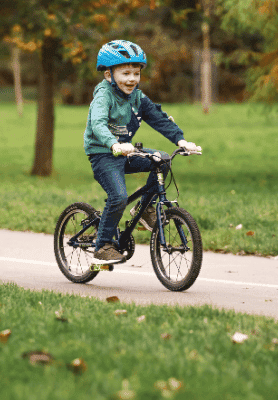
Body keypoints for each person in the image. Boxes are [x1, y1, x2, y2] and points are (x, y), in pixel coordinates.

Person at [83, 39, 202, 264]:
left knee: (162, 160)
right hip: (103, 154)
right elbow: (98, 124)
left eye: (136, 73)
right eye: (126, 73)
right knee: (117, 197)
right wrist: (113, 144)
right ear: (109, 75)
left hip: (125, 152)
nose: (132, 79)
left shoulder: (137, 97)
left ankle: (145, 208)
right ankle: (102, 247)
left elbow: (158, 118)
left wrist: (182, 141)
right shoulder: (103, 96)